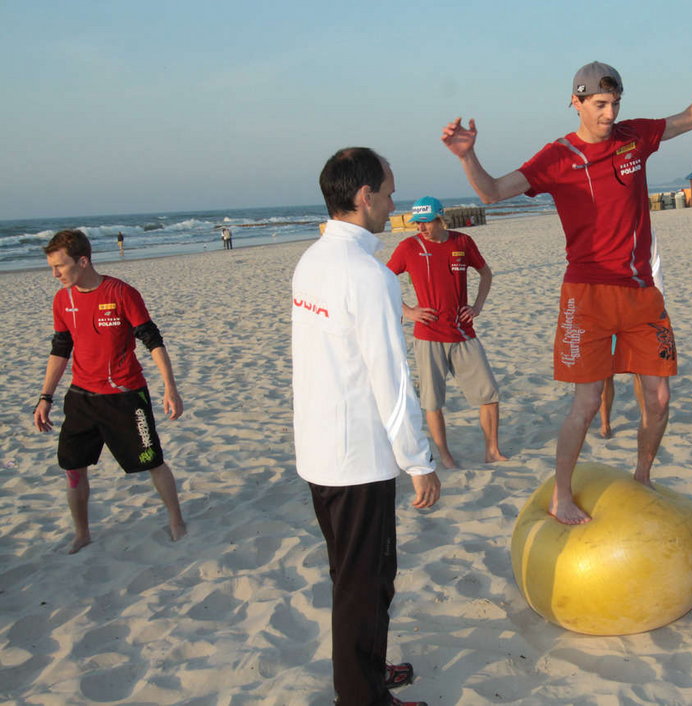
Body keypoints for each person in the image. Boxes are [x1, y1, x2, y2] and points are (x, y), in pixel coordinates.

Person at [441, 31, 692, 524]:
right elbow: (493, 192)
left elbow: (690, 118)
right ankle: (561, 494)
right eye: (601, 103)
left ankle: (642, 479)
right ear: (576, 102)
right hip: (586, 294)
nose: (610, 114)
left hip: (643, 292)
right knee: (584, 403)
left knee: (660, 398)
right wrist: (466, 157)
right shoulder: (556, 157)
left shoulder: (634, 137)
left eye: (616, 103)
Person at [292, 147, 440, 706]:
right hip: (356, 459)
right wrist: (419, 461)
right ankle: (361, 697)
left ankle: (366, 673)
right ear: (364, 197)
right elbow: (392, 380)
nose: (394, 202)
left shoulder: (312, 259)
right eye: (389, 191)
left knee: (352, 576)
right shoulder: (366, 273)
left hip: (320, 449)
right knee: (367, 582)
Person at [33, 229, 187, 553]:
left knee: (152, 462)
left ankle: (176, 519)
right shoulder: (63, 299)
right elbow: (60, 349)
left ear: (83, 260)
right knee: (72, 469)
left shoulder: (121, 292)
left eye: (59, 266)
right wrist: (45, 396)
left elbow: (152, 340)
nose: (55, 274)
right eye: (52, 267)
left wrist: (170, 388)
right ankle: (82, 533)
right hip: (82, 398)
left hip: (125, 396)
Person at [387, 196, 507, 469]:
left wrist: (477, 306)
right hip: (428, 335)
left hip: (463, 332)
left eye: (426, 222)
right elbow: (382, 280)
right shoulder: (408, 247)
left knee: (489, 394)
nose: (421, 228)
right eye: (417, 223)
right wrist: (408, 311)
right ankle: (446, 456)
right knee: (432, 401)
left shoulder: (462, 242)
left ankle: (492, 450)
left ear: (441, 219)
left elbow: (486, 273)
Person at [599, 231, 665, 438]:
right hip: (607, 308)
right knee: (605, 372)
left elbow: (655, 268)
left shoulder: (646, 233)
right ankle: (605, 423)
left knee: (639, 370)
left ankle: (645, 416)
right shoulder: (603, 233)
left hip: (638, 307)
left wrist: (658, 303)